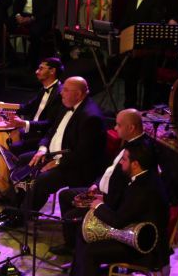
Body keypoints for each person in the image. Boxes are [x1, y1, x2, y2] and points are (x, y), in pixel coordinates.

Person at [59, 145, 169, 276]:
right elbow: (128, 208)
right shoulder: (145, 178)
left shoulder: (143, 188)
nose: (121, 163)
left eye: (124, 159)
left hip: (143, 248)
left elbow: (118, 221)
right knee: (85, 236)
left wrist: (99, 206)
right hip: (135, 236)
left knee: (91, 252)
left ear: (135, 164)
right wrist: (104, 200)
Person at [0, 76, 106, 227]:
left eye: (66, 90)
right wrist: (42, 150)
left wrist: (57, 162)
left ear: (78, 94)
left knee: (42, 180)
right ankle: (13, 209)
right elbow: (50, 132)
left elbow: (83, 154)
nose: (61, 93)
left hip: (74, 166)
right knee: (23, 160)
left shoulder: (91, 117)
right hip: (53, 155)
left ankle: (21, 217)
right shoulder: (67, 104)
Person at [53, 109, 151, 256]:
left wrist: (103, 200)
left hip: (111, 202)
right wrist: (97, 184)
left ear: (131, 128)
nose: (115, 128)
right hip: (101, 191)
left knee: (70, 216)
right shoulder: (128, 142)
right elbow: (110, 169)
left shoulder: (140, 151)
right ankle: (71, 245)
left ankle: (80, 247)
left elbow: (128, 188)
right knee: (65, 195)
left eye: (118, 125)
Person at [117, 0, 168, 109]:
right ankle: (129, 107)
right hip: (131, 41)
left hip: (148, 46)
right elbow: (128, 15)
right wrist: (120, 31)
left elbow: (156, 21)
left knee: (147, 80)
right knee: (129, 77)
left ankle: (146, 109)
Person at [6, 57, 64, 156]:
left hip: (43, 136)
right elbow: (27, 108)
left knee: (9, 147)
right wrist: (2, 109)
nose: (37, 72)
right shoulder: (43, 89)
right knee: (6, 138)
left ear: (52, 71)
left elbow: (50, 123)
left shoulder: (59, 93)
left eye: (41, 68)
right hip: (33, 130)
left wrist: (23, 123)